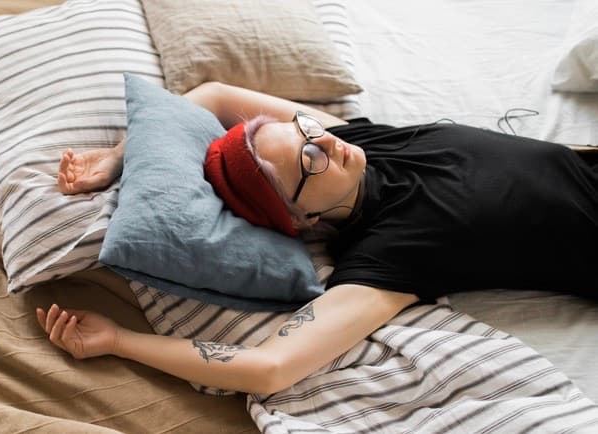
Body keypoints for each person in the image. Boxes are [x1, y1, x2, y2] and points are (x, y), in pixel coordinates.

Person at [36, 81, 598, 396]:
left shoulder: (353, 142)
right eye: (308, 155)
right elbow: (270, 367)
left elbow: (208, 96)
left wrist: (116, 158)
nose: (321, 140)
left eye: (308, 129)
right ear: (301, 219)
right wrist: (120, 342)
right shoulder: (389, 254)